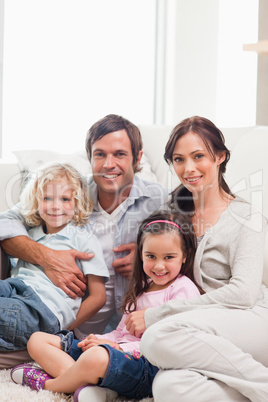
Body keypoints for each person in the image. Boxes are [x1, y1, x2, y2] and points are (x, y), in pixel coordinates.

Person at [125, 116, 268, 402]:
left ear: (220, 157)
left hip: (251, 319)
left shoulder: (247, 216)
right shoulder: (175, 215)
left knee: (156, 337)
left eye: (198, 156)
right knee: (167, 386)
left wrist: (158, 315)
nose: (188, 168)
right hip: (199, 329)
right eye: (179, 159)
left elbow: (243, 293)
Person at [0, 114, 168, 346]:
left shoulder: (159, 199)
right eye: (100, 154)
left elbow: (188, 247)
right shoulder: (71, 193)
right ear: (90, 157)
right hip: (57, 314)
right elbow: (6, 222)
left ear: (137, 158)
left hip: (126, 328)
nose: (109, 164)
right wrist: (48, 258)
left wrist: (146, 260)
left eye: (119, 154)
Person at [10, 210, 202, 401]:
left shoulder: (183, 290)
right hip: (112, 351)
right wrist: (99, 339)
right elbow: (120, 333)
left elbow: (171, 345)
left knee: (96, 357)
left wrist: (113, 347)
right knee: (38, 340)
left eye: (169, 257)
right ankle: (87, 384)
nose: (159, 266)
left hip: (145, 365)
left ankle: (48, 385)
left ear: (184, 256)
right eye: (151, 256)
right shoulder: (142, 287)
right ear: (141, 254)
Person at [0, 163, 109, 352]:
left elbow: (98, 297)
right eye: (47, 198)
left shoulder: (84, 240)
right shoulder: (29, 234)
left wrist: (63, 327)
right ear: (36, 200)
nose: (55, 206)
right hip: (14, 290)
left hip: (41, 310)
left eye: (65, 199)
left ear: (77, 204)